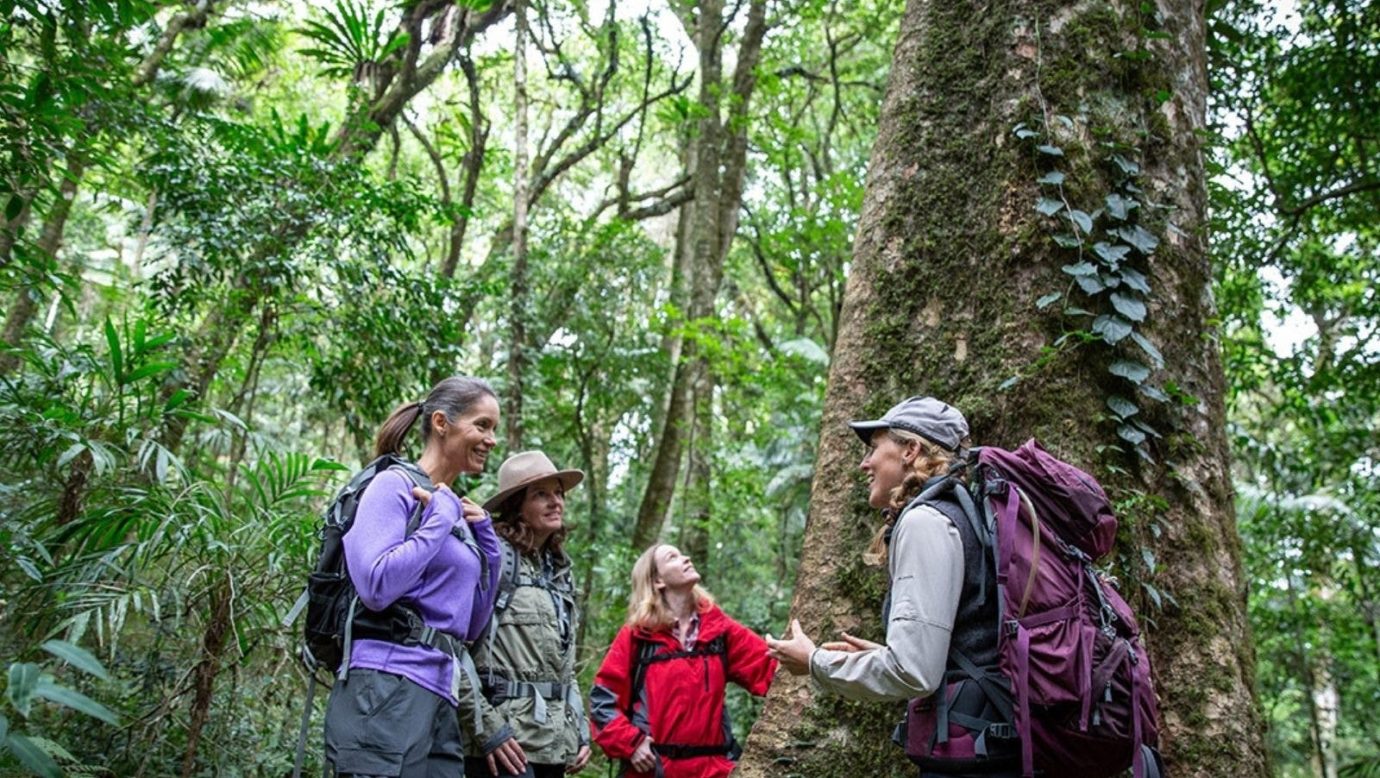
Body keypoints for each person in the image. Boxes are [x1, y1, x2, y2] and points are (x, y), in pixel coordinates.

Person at [765, 395, 1019, 777]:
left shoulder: (925, 522)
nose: (864, 463)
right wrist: (888, 653)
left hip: (977, 758)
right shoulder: (964, 511)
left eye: (874, 449)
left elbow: (914, 672)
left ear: (910, 450)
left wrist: (815, 662)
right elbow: (961, 641)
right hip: (992, 741)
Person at [324, 376, 504, 777]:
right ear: (441, 422)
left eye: (494, 429)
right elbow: (375, 586)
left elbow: (469, 627)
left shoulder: (452, 509)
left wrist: (490, 552)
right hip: (384, 687)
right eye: (482, 425)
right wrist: (439, 519)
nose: (491, 439)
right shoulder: (393, 486)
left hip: (440, 691)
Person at [589, 544, 778, 778]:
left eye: (683, 554)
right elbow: (602, 702)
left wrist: (818, 659)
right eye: (673, 557)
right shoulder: (637, 637)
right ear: (658, 580)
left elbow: (772, 670)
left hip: (713, 771)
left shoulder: (720, 630)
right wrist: (631, 743)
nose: (686, 558)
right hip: (652, 771)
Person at [459, 451, 593, 777]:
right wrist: (487, 728)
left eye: (558, 493)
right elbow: (451, 648)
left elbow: (564, 664)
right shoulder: (491, 559)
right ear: (517, 504)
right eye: (541, 494)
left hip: (552, 744)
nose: (555, 502)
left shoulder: (559, 571)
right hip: (501, 746)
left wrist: (580, 727)